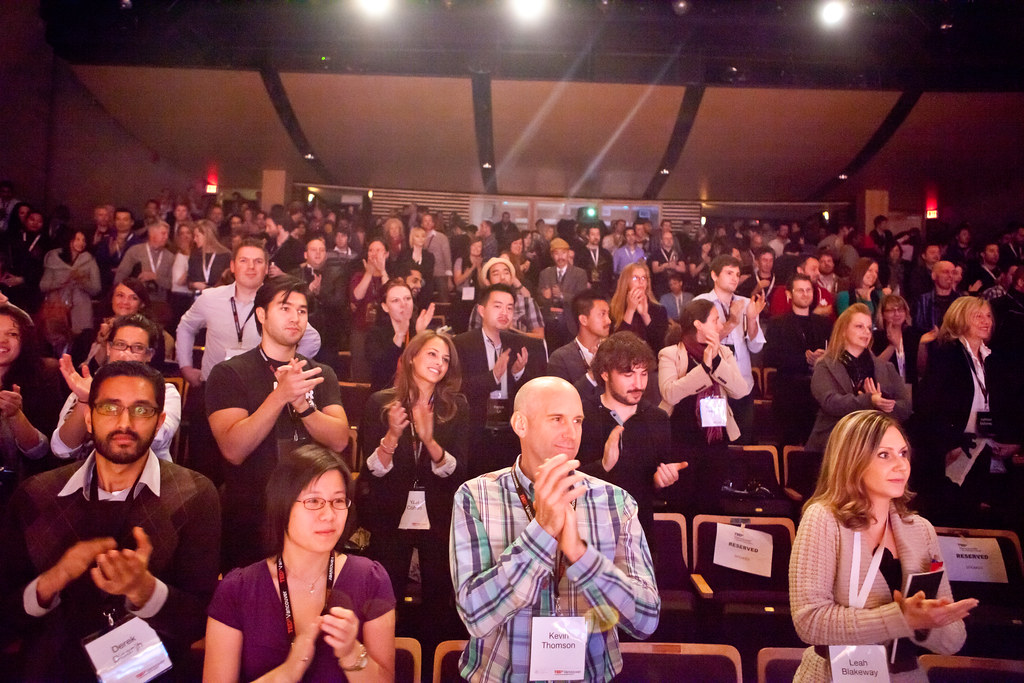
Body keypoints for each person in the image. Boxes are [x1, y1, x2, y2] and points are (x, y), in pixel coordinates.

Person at [0, 361, 221, 680]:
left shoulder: (194, 494)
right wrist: (53, 580)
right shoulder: (36, 494)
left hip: (147, 673)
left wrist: (145, 591)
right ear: (89, 418)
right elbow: (5, 615)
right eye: (109, 408)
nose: (125, 423)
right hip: (49, 670)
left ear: (159, 423)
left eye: (141, 410)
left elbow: (200, 620)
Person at [449, 376, 660, 682]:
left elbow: (645, 619)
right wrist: (543, 530)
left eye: (577, 420)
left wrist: (580, 555)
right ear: (520, 424)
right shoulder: (475, 497)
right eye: (557, 419)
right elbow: (476, 616)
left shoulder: (616, 502)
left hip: (589, 674)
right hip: (505, 675)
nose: (570, 432)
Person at [789, 410, 975, 682]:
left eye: (903, 453)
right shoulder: (823, 519)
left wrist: (929, 624)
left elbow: (954, 641)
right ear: (852, 460)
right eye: (884, 455)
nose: (901, 465)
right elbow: (810, 622)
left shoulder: (921, 530)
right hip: (832, 675)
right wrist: (901, 619)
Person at [204, 445, 395, 682]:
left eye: (338, 501)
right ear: (282, 504)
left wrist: (351, 653)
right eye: (314, 501)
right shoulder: (237, 590)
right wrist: (289, 670)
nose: (328, 515)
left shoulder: (370, 578)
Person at [207, 276, 348, 570]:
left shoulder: (321, 373)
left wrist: (304, 407)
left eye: (302, 310)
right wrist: (280, 396)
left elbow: (340, 439)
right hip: (252, 513)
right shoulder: (229, 373)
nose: (295, 317)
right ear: (261, 314)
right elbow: (233, 449)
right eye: (285, 308)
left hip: (312, 513)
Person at [357, 330, 467, 619]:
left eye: (445, 359)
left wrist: (430, 443)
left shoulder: (456, 407)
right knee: (385, 598)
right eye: (432, 354)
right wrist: (393, 435)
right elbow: (373, 470)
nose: (439, 363)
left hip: (439, 514)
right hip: (390, 512)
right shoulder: (380, 404)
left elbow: (457, 471)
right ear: (411, 358)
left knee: (438, 601)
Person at [912, 296, 1019, 529]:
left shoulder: (992, 358)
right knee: (952, 516)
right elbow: (927, 407)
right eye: (977, 316)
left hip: (985, 449)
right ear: (961, 319)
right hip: (954, 452)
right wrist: (949, 443)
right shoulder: (947, 355)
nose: (986, 321)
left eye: (988, 316)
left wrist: (1011, 441)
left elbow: (1003, 405)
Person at [577, 331, 684, 542]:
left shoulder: (657, 418)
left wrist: (660, 482)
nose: (639, 384)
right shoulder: (581, 415)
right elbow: (565, 481)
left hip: (638, 536)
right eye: (628, 375)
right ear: (605, 374)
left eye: (643, 374)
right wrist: (603, 466)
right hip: (585, 537)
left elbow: (660, 490)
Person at [659, 299, 750, 509]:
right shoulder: (670, 354)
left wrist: (716, 361)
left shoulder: (724, 353)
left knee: (710, 503)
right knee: (681, 503)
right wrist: (704, 368)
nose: (720, 326)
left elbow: (740, 391)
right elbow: (670, 394)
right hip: (681, 440)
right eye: (715, 320)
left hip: (715, 441)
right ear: (699, 324)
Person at [54, 314, 181, 463]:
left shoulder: (166, 392)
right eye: (120, 344)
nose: (125, 354)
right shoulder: (87, 388)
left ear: (149, 355)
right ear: (109, 348)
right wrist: (85, 400)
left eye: (137, 348)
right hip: (92, 478)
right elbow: (61, 449)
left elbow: (158, 439)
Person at [454, 284, 543, 477]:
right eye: (498, 306)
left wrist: (518, 373)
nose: (505, 312)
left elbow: (533, 392)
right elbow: (458, 389)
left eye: (509, 308)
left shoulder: (519, 342)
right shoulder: (461, 343)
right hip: (475, 432)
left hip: (510, 432)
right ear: (481, 310)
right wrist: (493, 376)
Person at [806, 304, 912, 452]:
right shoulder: (825, 365)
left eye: (869, 328)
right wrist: (869, 400)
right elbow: (830, 402)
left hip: (875, 441)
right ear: (843, 331)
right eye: (859, 326)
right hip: (834, 442)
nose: (866, 332)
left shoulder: (885, 367)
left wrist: (883, 403)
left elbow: (906, 406)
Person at [694, 254, 765, 443]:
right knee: (715, 440)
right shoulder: (701, 303)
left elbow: (756, 347)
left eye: (737, 274)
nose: (735, 278)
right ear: (714, 276)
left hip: (742, 382)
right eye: (729, 273)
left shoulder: (746, 303)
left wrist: (750, 319)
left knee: (744, 438)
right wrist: (733, 321)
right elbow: (700, 342)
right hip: (713, 385)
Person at [0, 304, 64, 493]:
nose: (2, 340)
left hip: (22, 489)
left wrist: (15, 415)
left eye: (12, 334)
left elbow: (41, 452)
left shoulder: (44, 375)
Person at [765, 274, 832, 446]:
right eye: (800, 290)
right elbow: (770, 356)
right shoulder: (777, 323)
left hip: (817, 394)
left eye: (808, 290)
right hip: (788, 394)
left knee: (816, 447)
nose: (805, 294)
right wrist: (804, 359)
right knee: (787, 444)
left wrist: (824, 357)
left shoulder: (824, 323)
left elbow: (834, 353)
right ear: (789, 294)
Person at [365, 278, 435, 393]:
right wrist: (399, 336)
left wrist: (421, 336)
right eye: (395, 300)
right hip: (385, 396)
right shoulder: (375, 334)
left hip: (417, 393)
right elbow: (380, 371)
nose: (404, 304)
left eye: (407, 299)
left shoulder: (418, 329)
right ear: (385, 307)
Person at [39, 229, 101, 337]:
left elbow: (96, 288)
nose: (81, 243)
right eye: (77, 239)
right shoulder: (54, 258)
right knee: (56, 339)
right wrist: (61, 282)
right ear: (69, 240)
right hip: (57, 307)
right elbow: (43, 285)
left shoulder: (90, 260)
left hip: (81, 308)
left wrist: (81, 280)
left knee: (80, 342)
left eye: (84, 240)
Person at [545, 290, 610, 389]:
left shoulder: (613, 352)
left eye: (608, 314)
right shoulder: (560, 359)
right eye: (602, 314)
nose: (608, 320)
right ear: (583, 320)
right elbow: (560, 400)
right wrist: (592, 374)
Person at [610, 261, 669, 357]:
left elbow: (660, 344)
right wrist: (630, 310)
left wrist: (645, 315)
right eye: (635, 278)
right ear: (626, 282)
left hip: (651, 364)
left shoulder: (659, 310)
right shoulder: (613, 309)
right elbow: (616, 344)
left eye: (643, 278)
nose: (641, 281)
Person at [114, 220, 175, 303]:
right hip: (134, 302)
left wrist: (156, 277)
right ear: (152, 234)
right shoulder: (135, 251)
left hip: (159, 304)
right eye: (163, 233)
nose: (166, 237)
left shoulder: (170, 257)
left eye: (167, 234)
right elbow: (120, 276)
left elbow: (172, 284)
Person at [872, 293, 922, 387]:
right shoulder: (876, 337)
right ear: (882, 314)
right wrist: (892, 345)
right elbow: (876, 366)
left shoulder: (912, 334)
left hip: (911, 389)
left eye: (900, 309)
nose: (897, 314)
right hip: (886, 389)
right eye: (891, 310)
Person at [187, 219, 231, 292]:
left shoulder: (225, 256)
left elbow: (228, 282)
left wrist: (206, 288)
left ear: (207, 236)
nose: (194, 239)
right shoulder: (195, 256)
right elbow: (189, 279)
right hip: (198, 299)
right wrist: (193, 284)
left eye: (197, 236)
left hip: (219, 299)